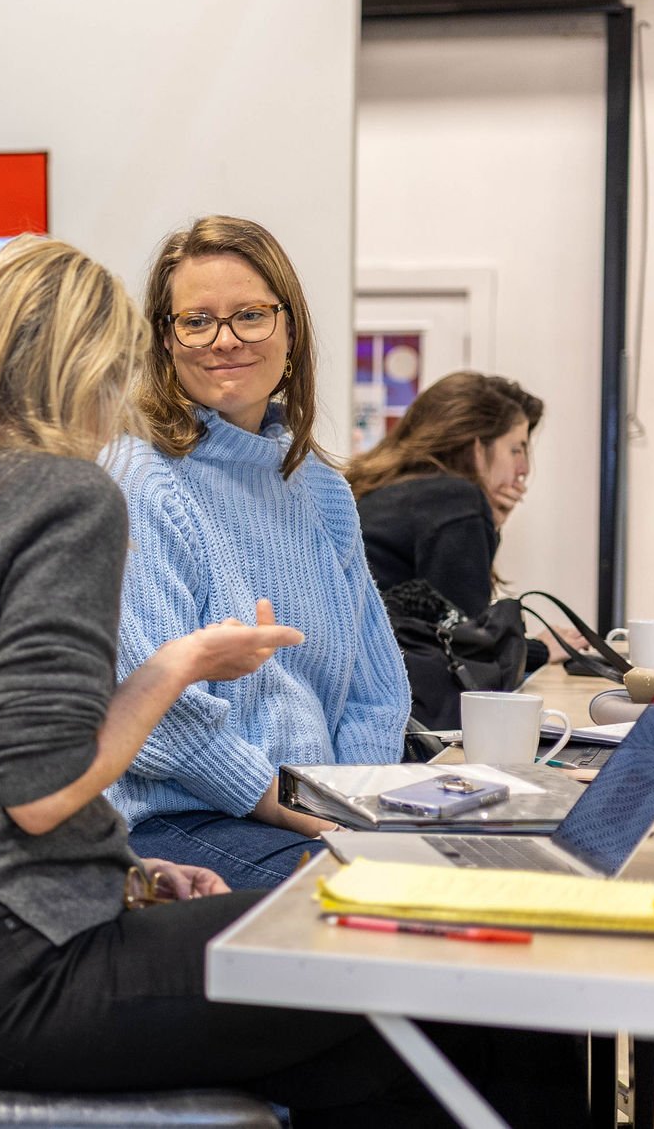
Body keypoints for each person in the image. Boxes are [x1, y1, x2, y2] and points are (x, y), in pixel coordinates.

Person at [0, 234, 583, 1126]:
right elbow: (38, 788)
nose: (122, 396)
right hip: (10, 965)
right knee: (425, 960)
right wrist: (180, 664)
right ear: (86, 362)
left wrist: (129, 870)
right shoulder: (68, 495)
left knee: (394, 1014)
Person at [106, 217, 409, 890]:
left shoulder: (322, 488)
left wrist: (355, 802)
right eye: (197, 321)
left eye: (250, 315)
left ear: (290, 332)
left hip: (309, 811)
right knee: (370, 904)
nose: (225, 340)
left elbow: (376, 693)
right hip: (179, 819)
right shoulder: (139, 478)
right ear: (166, 340)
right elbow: (157, 715)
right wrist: (305, 809)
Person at [348, 371, 545, 618]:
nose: (524, 469)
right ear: (476, 448)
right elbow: (465, 635)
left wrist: (488, 525)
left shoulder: (390, 491)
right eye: (516, 449)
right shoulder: (456, 500)